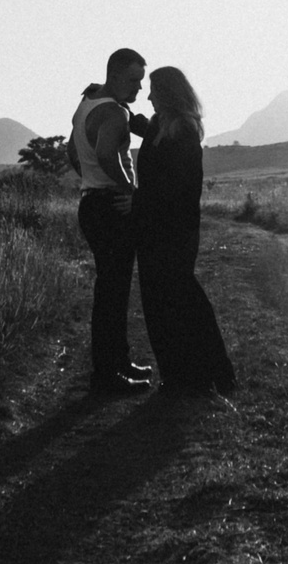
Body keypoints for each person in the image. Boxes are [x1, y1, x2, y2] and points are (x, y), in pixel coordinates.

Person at [133, 66, 235, 394]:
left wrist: (138, 204)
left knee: (180, 299)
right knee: (162, 301)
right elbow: (139, 126)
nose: (148, 96)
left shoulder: (184, 132)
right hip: (156, 228)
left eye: (153, 91)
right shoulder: (159, 127)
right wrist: (110, 99)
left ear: (169, 94)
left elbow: (176, 188)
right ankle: (181, 375)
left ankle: (208, 374)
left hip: (173, 230)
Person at [71, 47, 155, 395]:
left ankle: (117, 363)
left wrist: (90, 181)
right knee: (112, 294)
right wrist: (129, 190)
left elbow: (72, 153)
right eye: (134, 81)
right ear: (116, 76)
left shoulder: (86, 104)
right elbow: (107, 154)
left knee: (111, 291)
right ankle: (108, 375)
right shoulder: (115, 113)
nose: (139, 90)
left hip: (92, 203)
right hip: (110, 208)